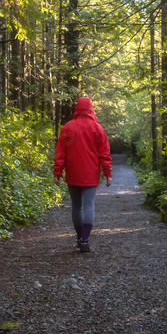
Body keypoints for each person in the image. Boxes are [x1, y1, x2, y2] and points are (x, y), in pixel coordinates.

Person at [53, 97, 112, 252]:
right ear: (91, 108)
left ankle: (80, 238)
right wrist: (108, 174)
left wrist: (57, 172)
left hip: (73, 173)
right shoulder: (97, 128)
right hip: (91, 174)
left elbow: (61, 152)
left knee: (76, 206)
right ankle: (85, 240)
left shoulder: (68, 127)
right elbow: (104, 153)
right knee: (89, 206)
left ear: (77, 108)